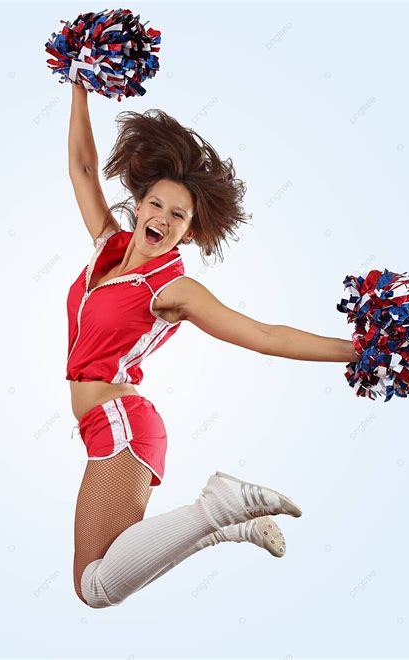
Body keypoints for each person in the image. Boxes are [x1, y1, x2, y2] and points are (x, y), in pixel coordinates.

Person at [67, 82, 359, 608]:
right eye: (156, 203)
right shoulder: (107, 247)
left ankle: (217, 509)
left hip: (122, 421)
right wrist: (80, 86)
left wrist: (358, 351)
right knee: (101, 572)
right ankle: (229, 528)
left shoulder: (172, 288)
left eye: (178, 216)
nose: (162, 217)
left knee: (93, 587)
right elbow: (84, 170)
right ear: (138, 204)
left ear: (190, 231)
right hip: (102, 424)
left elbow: (265, 335)